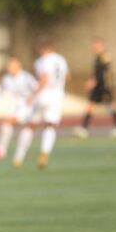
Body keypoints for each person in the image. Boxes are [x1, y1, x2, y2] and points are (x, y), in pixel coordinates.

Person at [12, 37, 69, 169]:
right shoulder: (61, 59)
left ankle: (18, 157)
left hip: (43, 94)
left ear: (40, 48)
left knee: (31, 125)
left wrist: (33, 94)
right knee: (50, 125)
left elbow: (44, 78)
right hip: (57, 95)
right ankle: (44, 154)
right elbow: (67, 76)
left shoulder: (41, 61)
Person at [0, 57, 39, 160]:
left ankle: (2, 151)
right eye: (8, 66)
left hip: (29, 107)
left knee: (10, 124)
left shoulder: (26, 77)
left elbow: (38, 89)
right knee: (6, 126)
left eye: (12, 66)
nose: (9, 68)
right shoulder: (6, 79)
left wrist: (34, 101)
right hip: (17, 107)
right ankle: (1, 150)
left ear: (19, 66)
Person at [74, 38, 116, 138]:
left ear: (102, 46)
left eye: (97, 46)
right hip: (97, 87)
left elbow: (103, 71)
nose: (95, 48)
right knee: (90, 106)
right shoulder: (96, 57)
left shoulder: (105, 56)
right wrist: (93, 80)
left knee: (111, 106)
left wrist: (94, 81)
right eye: (94, 46)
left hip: (105, 86)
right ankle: (84, 128)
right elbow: (96, 72)